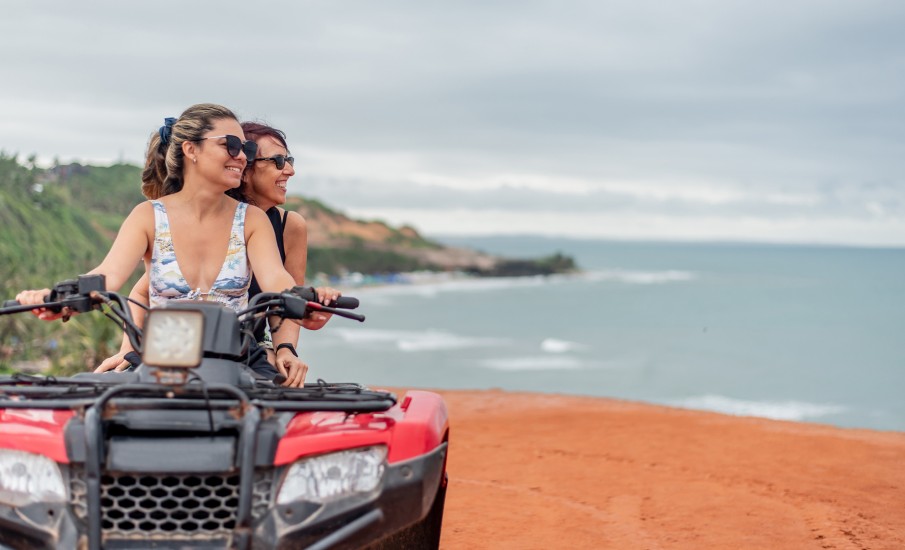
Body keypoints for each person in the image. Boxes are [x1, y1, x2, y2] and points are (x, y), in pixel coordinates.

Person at [15, 103, 311, 384]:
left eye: (246, 149)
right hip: (162, 359)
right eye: (231, 145)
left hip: (240, 360)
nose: (242, 156)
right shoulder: (147, 216)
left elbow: (276, 279)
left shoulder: (252, 219)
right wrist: (59, 298)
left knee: (278, 413)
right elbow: (107, 276)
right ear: (191, 149)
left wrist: (309, 300)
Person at [96, 121, 335, 381]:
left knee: (275, 382)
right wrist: (128, 348)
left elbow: (284, 294)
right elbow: (146, 288)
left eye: (289, 160)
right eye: (278, 161)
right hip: (175, 348)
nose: (289, 170)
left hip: (243, 347)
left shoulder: (284, 224)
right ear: (245, 170)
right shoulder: (201, 218)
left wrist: (286, 347)